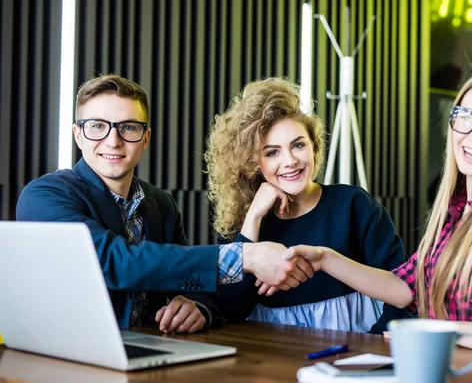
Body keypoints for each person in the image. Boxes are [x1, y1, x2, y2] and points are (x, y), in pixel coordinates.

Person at [285, 71, 472, 359]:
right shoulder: (456, 213)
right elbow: (406, 288)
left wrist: (437, 330)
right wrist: (325, 259)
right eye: (466, 117)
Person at [16, 74, 314, 334]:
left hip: (153, 354)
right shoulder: (44, 196)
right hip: (69, 359)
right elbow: (115, 262)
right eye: (97, 126)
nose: (113, 141)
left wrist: (197, 305)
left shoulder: (162, 204)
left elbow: (187, 279)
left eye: (128, 127)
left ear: (145, 139)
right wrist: (243, 257)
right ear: (78, 135)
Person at [205, 77, 410, 333]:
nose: (290, 161)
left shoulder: (354, 206)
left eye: (298, 145)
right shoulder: (245, 223)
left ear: (314, 147)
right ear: (254, 162)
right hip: (270, 358)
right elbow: (231, 309)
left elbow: (404, 294)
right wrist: (254, 217)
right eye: (272, 152)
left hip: (355, 352)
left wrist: (371, 348)